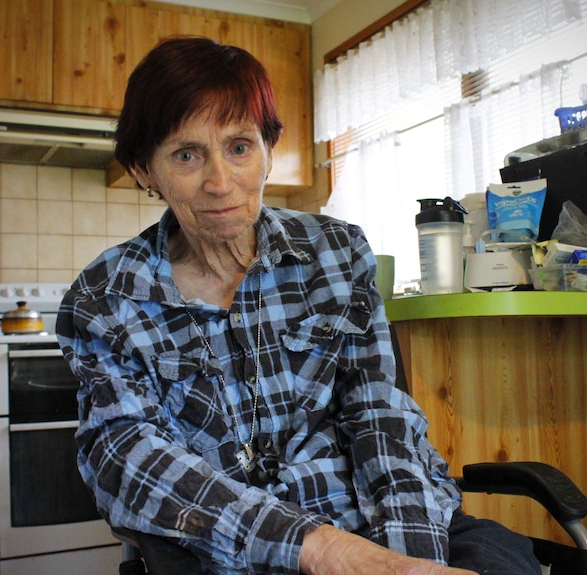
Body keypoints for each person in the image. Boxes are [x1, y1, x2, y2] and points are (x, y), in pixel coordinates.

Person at [56, 35, 539, 575]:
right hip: (228, 552)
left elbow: (379, 416)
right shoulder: (106, 295)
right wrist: (329, 552)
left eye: (239, 147)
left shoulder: (336, 252)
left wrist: (405, 561)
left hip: (382, 522)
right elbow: (127, 459)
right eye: (187, 154)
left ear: (267, 151)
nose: (220, 182)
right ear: (145, 170)